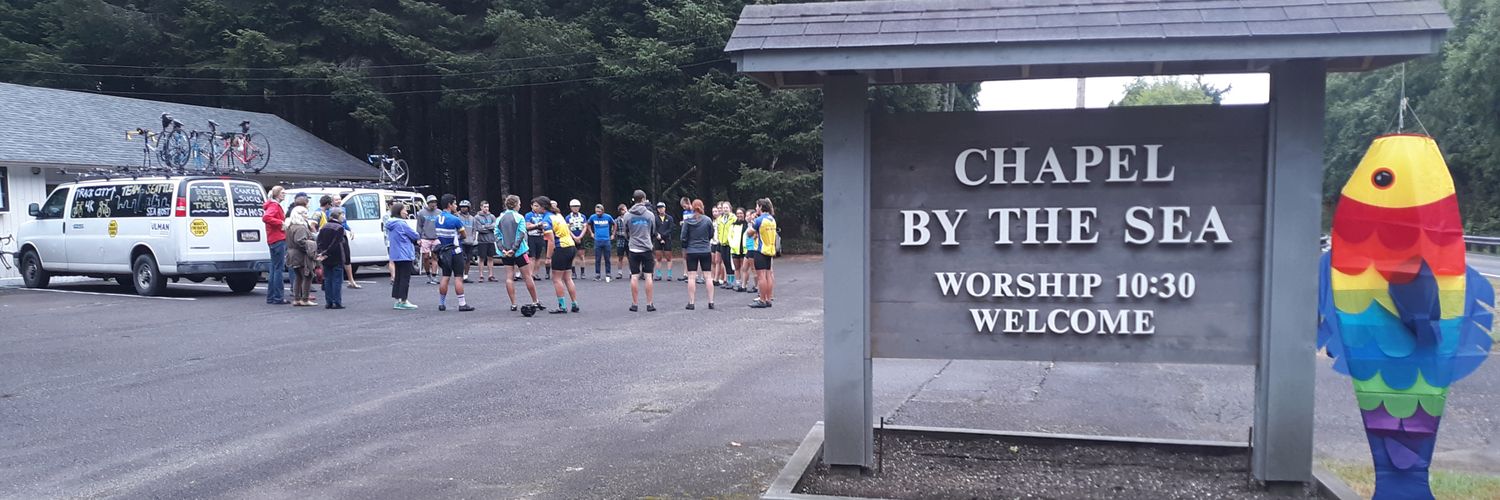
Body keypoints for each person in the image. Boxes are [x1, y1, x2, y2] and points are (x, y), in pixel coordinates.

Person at [496, 195, 540, 311]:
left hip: (505, 252)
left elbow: (497, 235)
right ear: (515, 204)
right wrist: (514, 249)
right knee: (527, 276)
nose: (520, 205)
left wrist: (503, 249)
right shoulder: (519, 217)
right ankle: (535, 301)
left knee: (509, 277)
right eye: (519, 203)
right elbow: (521, 234)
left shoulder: (499, 218)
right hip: (519, 251)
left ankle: (513, 303)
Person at [433, 194, 474, 311]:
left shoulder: (437, 219)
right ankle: (462, 303)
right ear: (449, 205)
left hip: (443, 251)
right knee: (458, 277)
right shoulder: (455, 219)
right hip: (455, 251)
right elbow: (464, 235)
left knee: (445, 276)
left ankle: (441, 303)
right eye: (455, 204)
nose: (456, 206)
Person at [540, 196, 580, 314]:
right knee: (568, 278)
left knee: (557, 278)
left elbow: (551, 240)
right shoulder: (558, 215)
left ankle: (562, 306)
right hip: (570, 246)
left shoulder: (547, 219)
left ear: (543, 207)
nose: (535, 208)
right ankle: (574, 303)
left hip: (561, 248)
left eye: (537, 206)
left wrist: (548, 257)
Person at [623, 191, 657, 312]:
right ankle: (649, 304)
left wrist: (631, 238)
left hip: (633, 248)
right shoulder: (649, 215)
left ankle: (634, 304)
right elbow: (653, 231)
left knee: (634, 276)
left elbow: (625, 232)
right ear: (643, 199)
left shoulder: (627, 215)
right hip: (647, 248)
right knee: (648, 276)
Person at [681, 199, 716, 310]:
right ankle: (711, 302)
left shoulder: (688, 221)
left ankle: (691, 302)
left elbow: (683, 237)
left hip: (691, 250)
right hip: (705, 250)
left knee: (691, 277)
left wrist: (687, 244)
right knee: (708, 276)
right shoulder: (707, 220)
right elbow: (711, 234)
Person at [385, 203, 420, 310]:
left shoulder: (390, 223)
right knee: (405, 278)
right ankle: (404, 300)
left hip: (396, 254)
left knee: (398, 278)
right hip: (404, 253)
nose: (406, 212)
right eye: (404, 210)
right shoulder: (401, 224)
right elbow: (415, 235)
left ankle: (397, 300)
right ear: (399, 211)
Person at [747, 198, 779, 308]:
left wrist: (751, 224)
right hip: (769, 250)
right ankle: (769, 298)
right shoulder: (772, 219)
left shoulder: (759, 220)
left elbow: (749, 234)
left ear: (761, 207)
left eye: (757, 206)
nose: (756, 208)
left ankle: (762, 299)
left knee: (761, 276)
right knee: (768, 274)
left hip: (760, 250)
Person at [285, 206, 318, 306]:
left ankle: (297, 299)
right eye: (305, 213)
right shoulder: (300, 227)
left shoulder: (290, 226)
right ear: (299, 215)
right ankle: (304, 299)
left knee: (299, 276)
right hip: (300, 255)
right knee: (307, 275)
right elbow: (300, 241)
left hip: (292, 253)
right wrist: (311, 246)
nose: (307, 216)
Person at [316, 208, 348, 309]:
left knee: (328, 279)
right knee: (337, 280)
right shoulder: (339, 228)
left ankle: (328, 301)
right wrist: (328, 252)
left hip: (325, 257)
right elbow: (336, 243)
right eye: (342, 215)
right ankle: (337, 301)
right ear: (338, 216)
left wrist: (321, 253)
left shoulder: (324, 226)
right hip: (336, 256)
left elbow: (319, 241)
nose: (343, 217)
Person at [262, 186, 288, 305]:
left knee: (274, 268)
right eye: (282, 193)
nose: (284, 195)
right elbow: (266, 217)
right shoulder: (275, 206)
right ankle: (278, 297)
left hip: (272, 239)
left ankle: (271, 296)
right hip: (278, 238)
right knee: (278, 269)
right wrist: (281, 223)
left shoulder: (271, 205)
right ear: (277, 194)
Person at [331, 195, 360, 289]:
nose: (338, 201)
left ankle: (351, 280)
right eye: (336, 199)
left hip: (342, 234)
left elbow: (344, 223)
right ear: (332, 201)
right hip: (335, 235)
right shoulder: (330, 210)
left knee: (347, 257)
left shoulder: (343, 209)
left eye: (339, 199)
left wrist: (350, 229)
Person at [417, 195, 442, 285]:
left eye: (435, 202)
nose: (433, 204)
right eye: (431, 202)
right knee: (426, 257)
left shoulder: (439, 212)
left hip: (436, 237)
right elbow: (419, 226)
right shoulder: (421, 213)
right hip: (425, 237)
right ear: (428, 203)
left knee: (435, 257)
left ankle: (434, 276)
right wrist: (418, 238)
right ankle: (428, 275)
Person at [525, 199, 552, 281]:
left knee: (538, 257)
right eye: (535, 206)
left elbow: (545, 225)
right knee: (531, 257)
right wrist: (537, 225)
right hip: (531, 237)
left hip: (540, 236)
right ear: (531, 206)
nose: (536, 208)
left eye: (538, 206)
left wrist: (539, 226)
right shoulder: (529, 215)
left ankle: (535, 274)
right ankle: (530, 274)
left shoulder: (542, 215)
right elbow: (527, 226)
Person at [587, 203, 614, 282]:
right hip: (597, 240)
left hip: (606, 240)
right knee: (597, 258)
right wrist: (591, 233)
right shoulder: (593, 217)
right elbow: (588, 224)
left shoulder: (608, 217)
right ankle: (597, 274)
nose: (597, 213)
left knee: (607, 258)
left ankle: (608, 274)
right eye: (596, 211)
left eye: (599, 212)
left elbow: (614, 224)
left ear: (602, 211)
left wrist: (612, 234)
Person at [474, 201, 498, 282]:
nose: (486, 208)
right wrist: (489, 227)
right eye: (484, 207)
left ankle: (491, 275)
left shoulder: (492, 216)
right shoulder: (477, 217)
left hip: (491, 240)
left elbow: (495, 226)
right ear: (481, 207)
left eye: (487, 207)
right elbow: (479, 229)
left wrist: (485, 227)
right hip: (482, 241)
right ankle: (481, 275)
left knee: (490, 258)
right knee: (481, 258)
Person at [739, 206, 759, 295]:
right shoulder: (749, 225)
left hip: (753, 249)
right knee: (744, 268)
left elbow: (755, 235)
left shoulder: (755, 224)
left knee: (753, 269)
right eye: (746, 216)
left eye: (748, 216)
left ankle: (757, 286)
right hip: (748, 249)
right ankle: (743, 285)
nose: (746, 217)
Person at [653, 201, 675, 282]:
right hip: (657, 239)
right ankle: (658, 274)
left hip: (667, 239)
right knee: (658, 257)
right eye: (659, 208)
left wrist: (662, 236)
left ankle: (669, 274)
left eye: (662, 208)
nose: (661, 209)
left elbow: (671, 228)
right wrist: (657, 235)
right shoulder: (655, 218)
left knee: (668, 257)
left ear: (665, 208)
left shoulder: (669, 218)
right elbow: (653, 228)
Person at [566, 199, 588, 275]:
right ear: (570, 207)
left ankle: (582, 273)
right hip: (571, 238)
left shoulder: (583, 216)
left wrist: (580, 237)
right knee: (572, 256)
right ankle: (573, 272)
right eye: (574, 206)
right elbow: (567, 228)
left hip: (581, 237)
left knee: (582, 256)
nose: (575, 208)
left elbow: (585, 227)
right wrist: (574, 237)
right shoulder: (568, 217)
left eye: (577, 206)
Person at [458, 200, 477, 283]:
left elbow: (474, 229)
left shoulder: (472, 218)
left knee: (468, 259)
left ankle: (466, 276)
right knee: (461, 259)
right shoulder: (457, 217)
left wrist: (473, 238)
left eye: (465, 207)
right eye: (462, 207)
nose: (463, 209)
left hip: (470, 242)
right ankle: (460, 275)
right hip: (461, 241)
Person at [614, 204, 629, 280]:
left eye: (625, 209)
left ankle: (631, 272)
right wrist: (622, 234)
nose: (624, 211)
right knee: (620, 257)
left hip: (629, 241)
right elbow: (614, 231)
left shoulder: (630, 219)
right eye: (622, 209)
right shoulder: (616, 220)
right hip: (620, 241)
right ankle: (619, 272)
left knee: (631, 257)